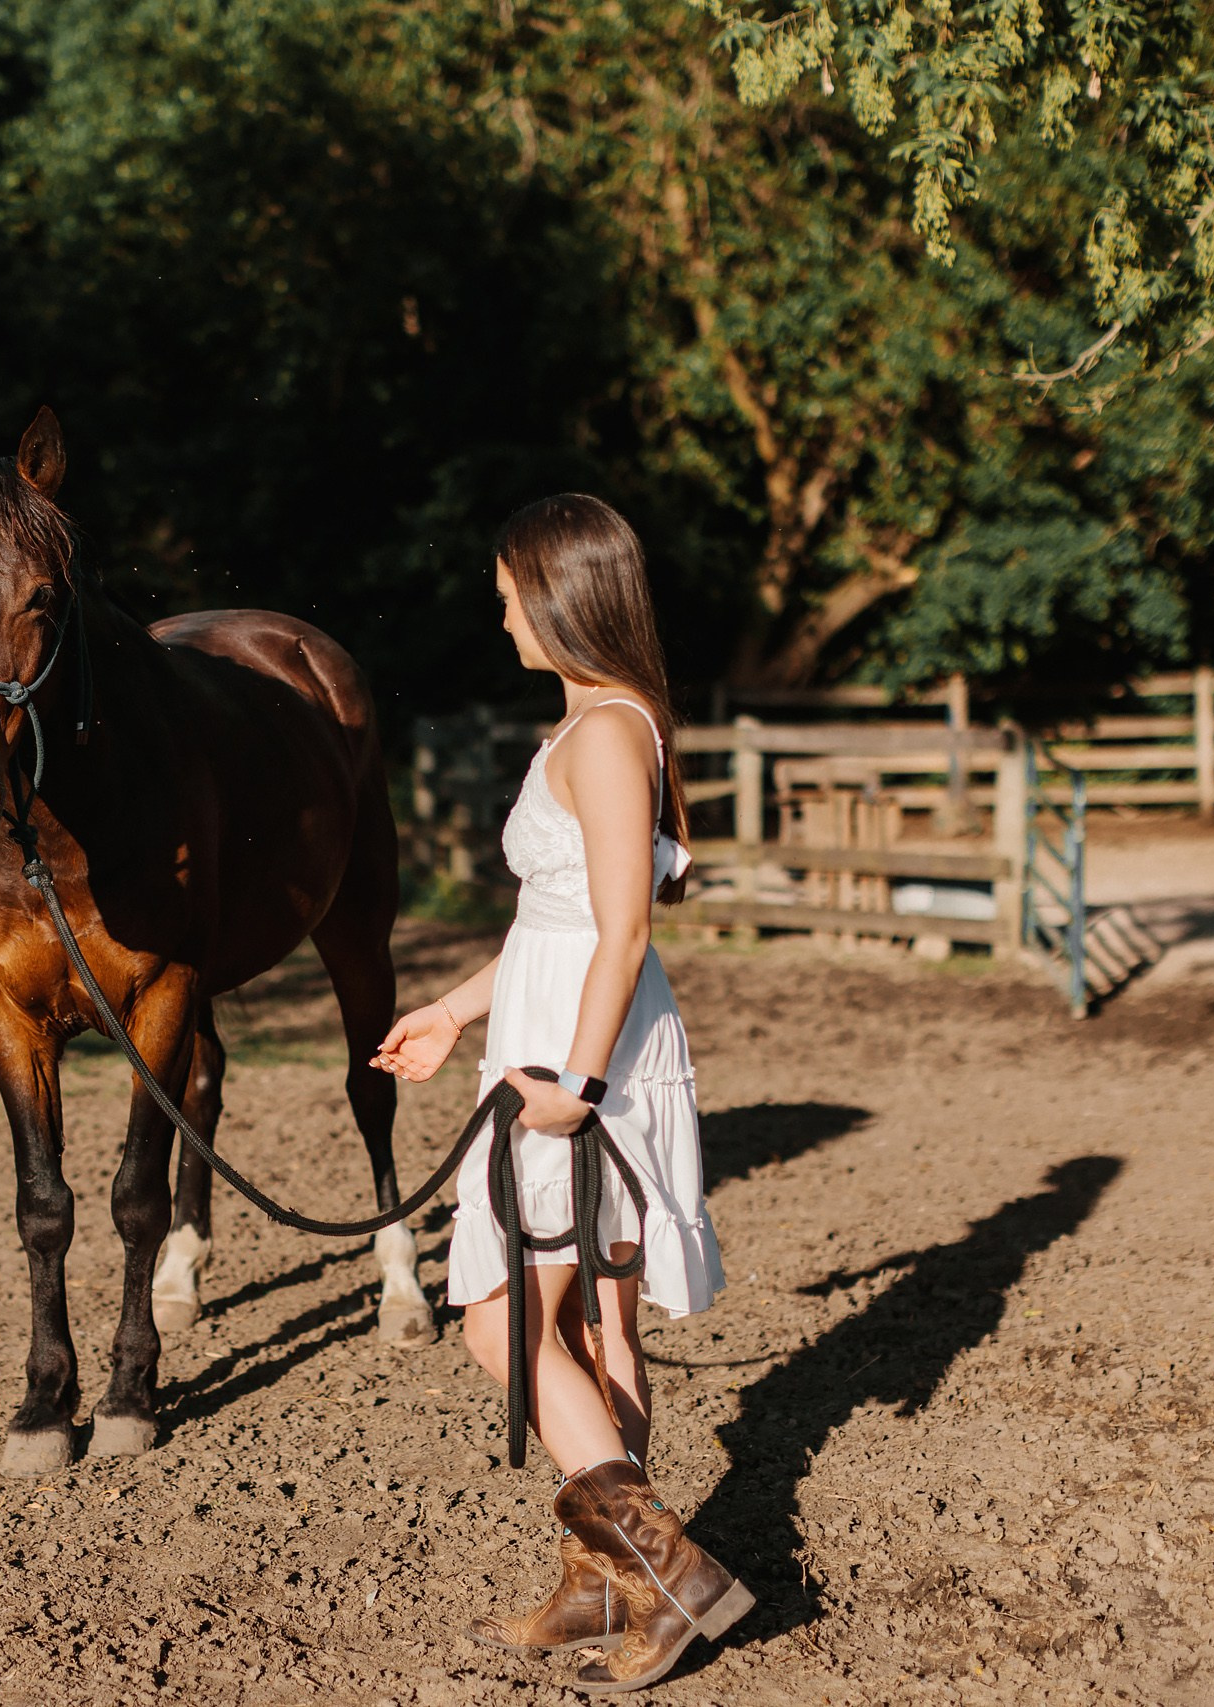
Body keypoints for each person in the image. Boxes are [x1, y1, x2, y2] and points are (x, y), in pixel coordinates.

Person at [371, 493, 748, 1692]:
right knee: (593, 1328)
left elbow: (624, 929)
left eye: (507, 597)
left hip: (582, 1058)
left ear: (559, 595)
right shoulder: (593, 723)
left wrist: (576, 1086)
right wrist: (451, 1011)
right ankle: (603, 1586)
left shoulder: (605, 734)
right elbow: (557, 920)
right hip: (554, 1032)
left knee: (500, 1321)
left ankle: (667, 1574)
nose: (500, 619)